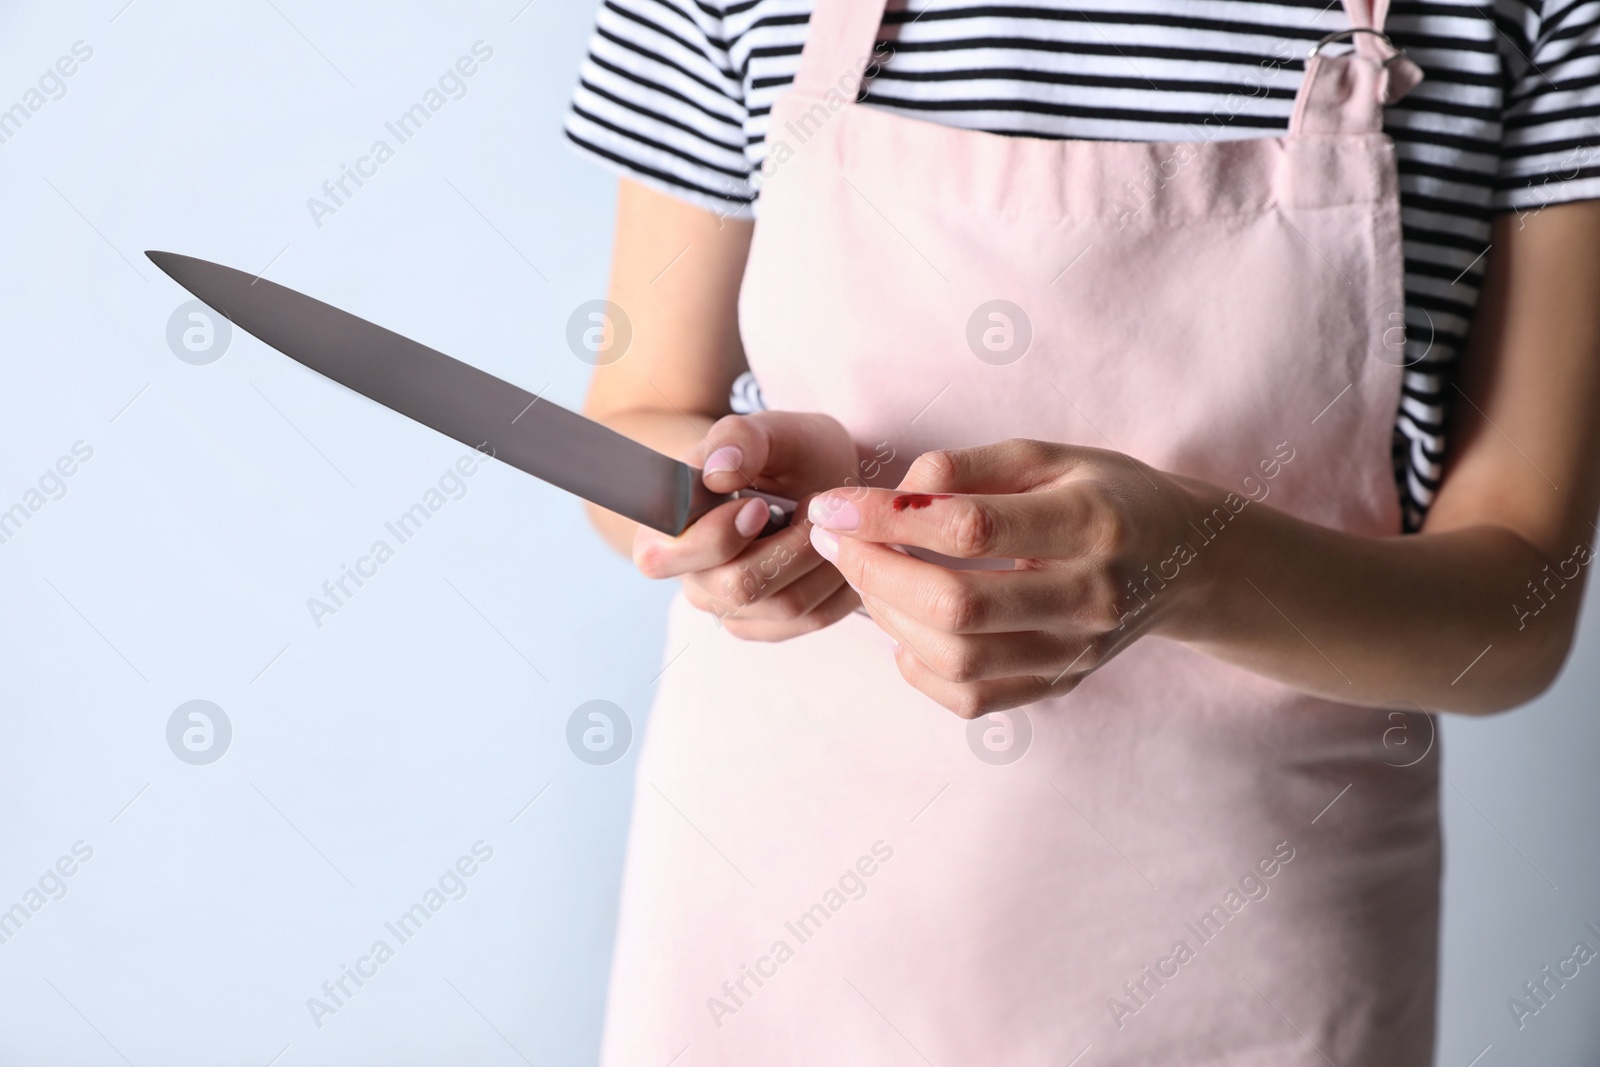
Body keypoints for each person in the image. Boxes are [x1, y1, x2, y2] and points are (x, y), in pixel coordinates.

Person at [567, 0, 1600, 1062]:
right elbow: (642, 405)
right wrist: (727, 501)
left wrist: (1201, 567)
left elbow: (1519, 613)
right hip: (769, 944)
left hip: (1254, 974)